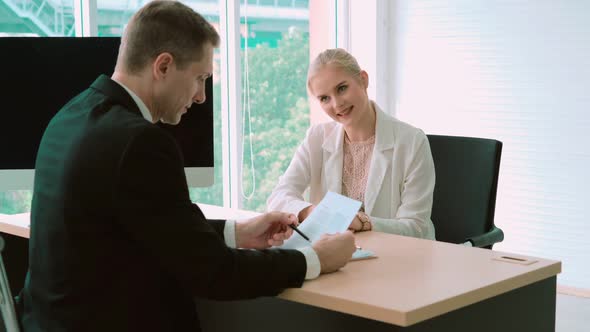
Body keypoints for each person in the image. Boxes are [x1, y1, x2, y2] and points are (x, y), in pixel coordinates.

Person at [17, 2, 355, 331]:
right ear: (163, 66)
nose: (201, 96)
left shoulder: (71, 114)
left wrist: (238, 232)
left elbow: (150, 223)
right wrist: (315, 259)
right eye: (200, 78)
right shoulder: (140, 142)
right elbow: (215, 274)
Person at [267, 48, 436, 240]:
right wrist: (310, 211)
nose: (337, 104)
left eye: (342, 88)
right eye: (324, 98)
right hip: (340, 254)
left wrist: (363, 222)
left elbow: (416, 227)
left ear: (363, 80)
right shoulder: (317, 137)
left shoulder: (412, 141)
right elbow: (278, 196)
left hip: (401, 256)